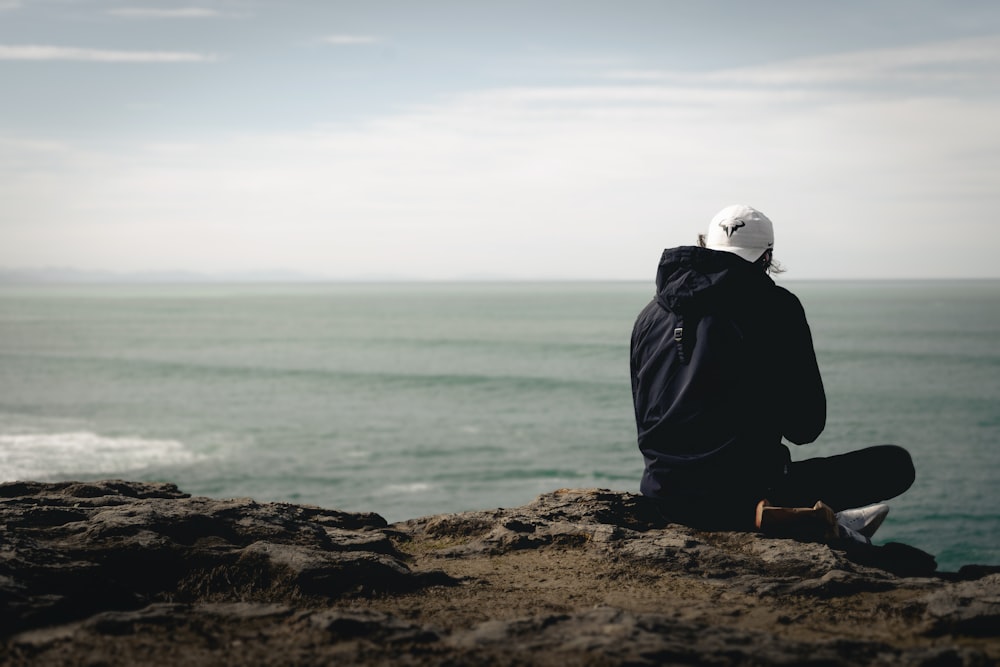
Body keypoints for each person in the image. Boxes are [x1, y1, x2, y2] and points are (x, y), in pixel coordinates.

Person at [629, 204, 914, 540]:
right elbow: (805, 427)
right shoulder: (776, 308)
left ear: (705, 244)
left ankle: (797, 518)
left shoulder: (649, 314)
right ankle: (809, 523)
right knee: (895, 465)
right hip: (743, 494)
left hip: (663, 494)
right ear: (766, 256)